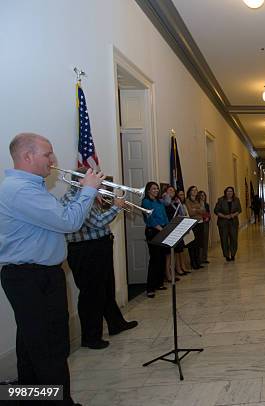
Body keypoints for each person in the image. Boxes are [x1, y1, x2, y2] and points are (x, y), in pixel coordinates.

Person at [0, 133, 104, 405]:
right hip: (31, 277)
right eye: (47, 154)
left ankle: (28, 397)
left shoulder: (31, 188)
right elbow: (69, 222)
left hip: (36, 275)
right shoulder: (20, 190)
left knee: (31, 346)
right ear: (27, 156)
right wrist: (89, 190)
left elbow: (56, 220)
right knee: (50, 347)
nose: (53, 159)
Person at [62, 170, 138, 350]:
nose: (99, 182)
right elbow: (97, 222)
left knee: (106, 288)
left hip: (99, 246)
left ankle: (115, 323)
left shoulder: (85, 196)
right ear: (81, 180)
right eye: (95, 178)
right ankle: (90, 337)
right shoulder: (75, 199)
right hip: (86, 251)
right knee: (92, 294)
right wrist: (117, 206)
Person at [141, 181, 170, 298]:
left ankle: (159, 283)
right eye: (153, 189)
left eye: (157, 189)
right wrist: (159, 228)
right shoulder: (146, 202)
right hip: (153, 231)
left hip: (163, 229)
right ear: (148, 190)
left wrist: (167, 227)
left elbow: (164, 215)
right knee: (155, 259)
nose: (156, 190)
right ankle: (150, 288)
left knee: (162, 258)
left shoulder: (159, 202)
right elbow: (149, 218)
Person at [214, 186, 242, 261]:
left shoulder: (236, 200)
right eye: (228, 191)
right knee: (224, 239)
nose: (230, 193)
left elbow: (239, 210)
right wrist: (225, 216)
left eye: (231, 191)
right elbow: (216, 211)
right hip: (223, 222)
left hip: (233, 222)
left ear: (233, 193)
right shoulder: (221, 200)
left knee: (234, 238)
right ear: (225, 192)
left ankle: (233, 254)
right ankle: (226, 255)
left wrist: (233, 215)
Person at [185, 186, 204, 270]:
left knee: (198, 244)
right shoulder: (187, 201)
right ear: (189, 192)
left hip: (200, 223)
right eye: (193, 190)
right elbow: (190, 212)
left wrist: (196, 209)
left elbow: (203, 211)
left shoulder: (198, 200)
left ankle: (198, 261)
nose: (195, 191)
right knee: (193, 244)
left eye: (196, 190)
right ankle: (193, 263)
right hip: (193, 224)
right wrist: (198, 209)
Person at [196, 190, 211, 264]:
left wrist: (207, 217)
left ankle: (204, 258)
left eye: (204, 195)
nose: (203, 197)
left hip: (206, 223)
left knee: (205, 241)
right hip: (199, 223)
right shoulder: (197, 204)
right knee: (200, 241)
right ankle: (199, 258)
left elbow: (208, 213)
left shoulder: (206, 205)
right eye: (201, 195)